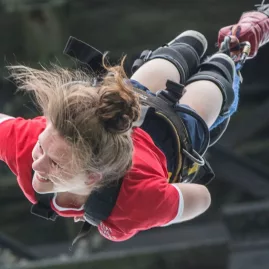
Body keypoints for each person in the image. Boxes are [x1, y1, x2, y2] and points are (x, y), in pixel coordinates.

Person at [0, 3, 268, 242]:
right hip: (156, 123)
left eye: (54, 161)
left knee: (197, 59)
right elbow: (202, 197)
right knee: (212, 68)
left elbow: (203, 199)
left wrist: (162, 209)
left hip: (153, 118)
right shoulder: (33, 142)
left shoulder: (129, 207)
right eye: (42, 150)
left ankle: (218, 51)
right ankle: (224, 53)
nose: (36, 163)